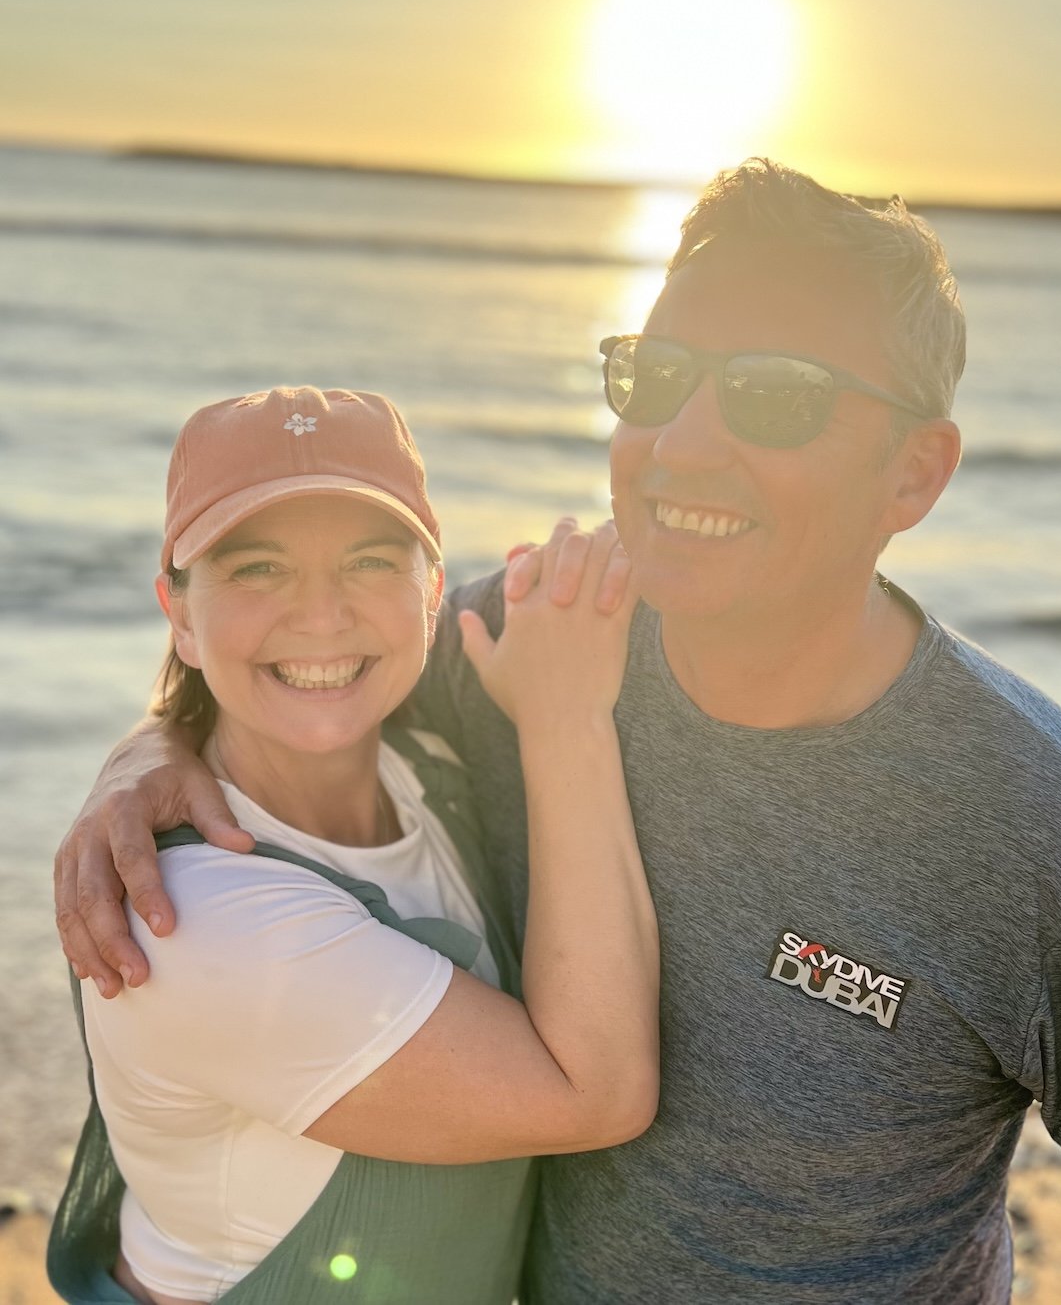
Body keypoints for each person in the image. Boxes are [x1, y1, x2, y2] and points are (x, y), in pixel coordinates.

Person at [57, 162, 1061, 1303]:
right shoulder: (536, 636)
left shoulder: (1060, 843)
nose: (683, 444)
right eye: (655, 378)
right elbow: (301, 665)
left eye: (776, 395)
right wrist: (153, 752)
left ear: (914, 472)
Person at [48, 385, 658, 1305]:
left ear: (432, 591)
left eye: (372, 560)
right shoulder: (198, 923)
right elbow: (596, 1093)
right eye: (257, 569)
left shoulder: (427, 768)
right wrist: (565, 718)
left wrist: (149, 744)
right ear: (177, 609)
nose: (323, 615)